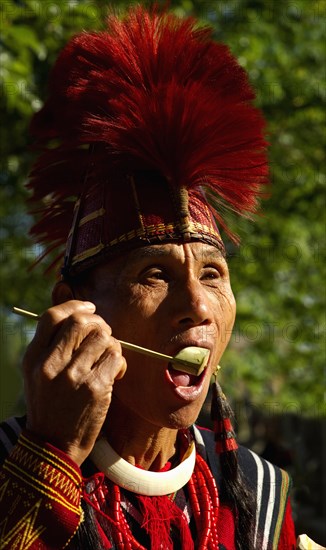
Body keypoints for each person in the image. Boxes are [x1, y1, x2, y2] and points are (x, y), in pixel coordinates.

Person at [0, 6, 300, 549]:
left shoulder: (257, 494)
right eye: (154, 274)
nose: (199, 307)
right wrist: (51, 453)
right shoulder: (9, 465)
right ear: (75, 310)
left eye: (213, 274)